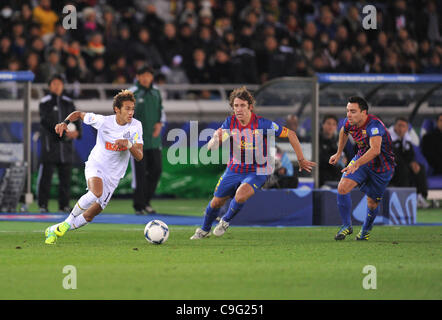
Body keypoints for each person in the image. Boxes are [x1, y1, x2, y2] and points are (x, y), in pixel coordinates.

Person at [190, 87, 316, 239]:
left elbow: (291, 134)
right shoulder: (229, 123)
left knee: (241, 195)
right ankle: (204, 230)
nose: (239, 109)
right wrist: (215, 140)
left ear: (250, 106)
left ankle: (225, 220)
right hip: (234, 169)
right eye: (236, 106)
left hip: (258, 170)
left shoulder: (263, 124)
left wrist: (301, 159)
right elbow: (213, 145)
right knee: (216, 202)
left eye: (242, 105)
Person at [44, 90, 143, 244]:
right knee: (96, 192)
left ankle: (54, 229)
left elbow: (139, 155)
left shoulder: (136, 126)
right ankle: (67, 221)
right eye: (127, 108)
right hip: (96, 165)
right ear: (117, 109)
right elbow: (78, 114)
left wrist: (129, 144)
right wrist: (65, 122)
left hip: (113, 176)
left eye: (132, 109)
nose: (131, 112)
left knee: (90, 215)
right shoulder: (103, 121)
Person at [329, 96, 395, 241]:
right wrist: (339, 152)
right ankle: (347, 226)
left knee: (372, 203)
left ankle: (365, 230)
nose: (348, 115)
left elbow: (375, 150)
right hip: (362, 160)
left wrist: (356, 164)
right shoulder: (350, 123)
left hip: (381, 168)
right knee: (342, 187)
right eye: (347, 111)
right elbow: (343, 132)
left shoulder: (374, 126)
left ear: (364, 112)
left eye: (353, 111)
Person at [37, 74, 81, 213]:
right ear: (50, 86)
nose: (57, 86)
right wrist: (60, 131)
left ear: (63, 85)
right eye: (54, 83)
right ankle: (43, 205)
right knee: (46, 178)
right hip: (51, 146)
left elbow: (77, 119)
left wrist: (77, 132)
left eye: (59, 83)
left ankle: (64, 205)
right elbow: (45, 121)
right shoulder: (45, 102)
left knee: (65, 179)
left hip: (66, 147)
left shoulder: (68, 102)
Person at [129, 65, 165, 215]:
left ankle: (146, 202)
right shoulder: (132, 93)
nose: (145, 78)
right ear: (137, 77)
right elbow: (125, 115)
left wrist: (160, 124)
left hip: (154, 140)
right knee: (140, 174)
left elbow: (161, 111)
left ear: (152, 77)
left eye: (148, 75)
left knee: (156, 170)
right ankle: (139, 205)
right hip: (137, 142)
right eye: (142, 75)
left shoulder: (156, 92)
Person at [389, 117, 429, 208]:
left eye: (403, 126)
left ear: (407, 128)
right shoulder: (388, 138)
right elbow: (394, 156)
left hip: (403, 166)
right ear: (394, 126)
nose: (401, 128)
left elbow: (410, 155)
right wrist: (409, 163)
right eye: (399, 125)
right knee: (403, 168)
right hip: (390, 168)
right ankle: (404, 198)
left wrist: (413, 163)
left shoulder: (407, 139)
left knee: (420, 167)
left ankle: (420, 196)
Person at [319, 115, 343, 187]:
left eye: (334, 124)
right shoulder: (317, 140)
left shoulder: (340, 140)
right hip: (322, 180)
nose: (331, 126)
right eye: (328, 123)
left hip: (338, 179)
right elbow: (320, 159)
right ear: (323, 125)